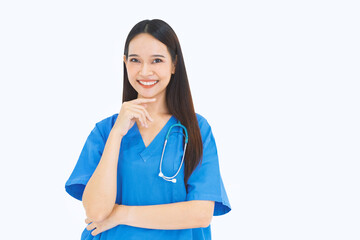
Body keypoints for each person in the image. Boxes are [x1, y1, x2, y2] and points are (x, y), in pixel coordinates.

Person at [65, 19, 231, 240]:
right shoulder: (105, 132)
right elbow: (96, 212)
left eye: (157, 60)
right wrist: (117, 134)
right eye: (135, 60)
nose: (145, 71)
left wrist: (121, 213)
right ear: (125, 63)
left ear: (173, 65)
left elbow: (200, 213)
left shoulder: (196, 130)